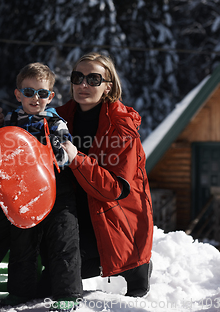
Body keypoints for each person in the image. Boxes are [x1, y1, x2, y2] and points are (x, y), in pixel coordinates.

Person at [0, 63, 83, 311]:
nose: (36, 98)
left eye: (42, 93)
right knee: (22, 242)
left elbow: (66, 152)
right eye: (29, 92)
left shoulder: (56, 122)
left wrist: (59, 152)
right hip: (22, 192)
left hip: (56, 188)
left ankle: (67, 294)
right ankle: (20, 292)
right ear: (18, 94)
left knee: (63, 239)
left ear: (51, 96)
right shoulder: (10, 121)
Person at [55, 52, 153, 298]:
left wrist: (77, 159)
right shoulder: (57, 118)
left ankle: (137, 266)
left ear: (108, 86)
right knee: (46, 284)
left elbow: (114, 190)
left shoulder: (122, 127)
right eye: (77, 77)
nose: (83, 85)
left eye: (93, 79)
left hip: (115, 218)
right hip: (73, 213)